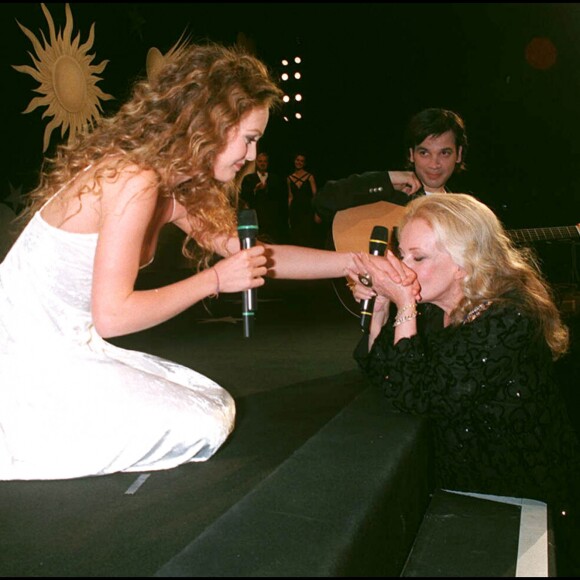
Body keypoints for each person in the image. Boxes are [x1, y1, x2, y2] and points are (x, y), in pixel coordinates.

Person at [0, 41, 359, 481]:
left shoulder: (175, 187)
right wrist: (213, 281)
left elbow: (254, 257)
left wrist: (354, 262)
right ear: (208, 124)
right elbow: (112, 316)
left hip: (71, 342)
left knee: (213, 403)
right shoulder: (135, 179)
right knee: (203, 423)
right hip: (23, 354)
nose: (251, 156)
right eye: (249, 139)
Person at [347, 193, 580, 575]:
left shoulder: (509, 318)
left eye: (417, 258)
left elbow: (419, 396)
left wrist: (404, 303)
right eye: (401, 256)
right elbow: (380, 371)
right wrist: (384, 309)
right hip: (470, 496)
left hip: (521, 499)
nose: (403, 269)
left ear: (465, 261)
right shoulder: (437, 309)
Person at [313, 108, 468, 226]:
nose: (434, 164)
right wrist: (387, 178)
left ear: (459, 154)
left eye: (444, 153)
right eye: (424, 153)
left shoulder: (464, 215)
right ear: (411, 154)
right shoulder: (388, 192)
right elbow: (323, 202)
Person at [240, 151, 289, 243]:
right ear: (256, 163)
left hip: (272, 218)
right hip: (256, 216)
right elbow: (244, 196)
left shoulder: (275, 178)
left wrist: (267, 188)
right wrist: (255, 190)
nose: (262, 164)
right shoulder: (248, 179)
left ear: (268, 163)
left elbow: (281, 197)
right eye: (260, 161)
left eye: (265, 161)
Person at [287, 152, 320, 247]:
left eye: (302, 161)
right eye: (297, 160)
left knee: (307, 236)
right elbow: (290, 197)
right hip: (295, 210)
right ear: (294, 161)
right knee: (295, 237)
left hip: (307, 210)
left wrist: (316, 212)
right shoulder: (289, 178)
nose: (299, 162)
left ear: (304, 163)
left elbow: (315, 195)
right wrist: (289, 215)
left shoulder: (310, 177)